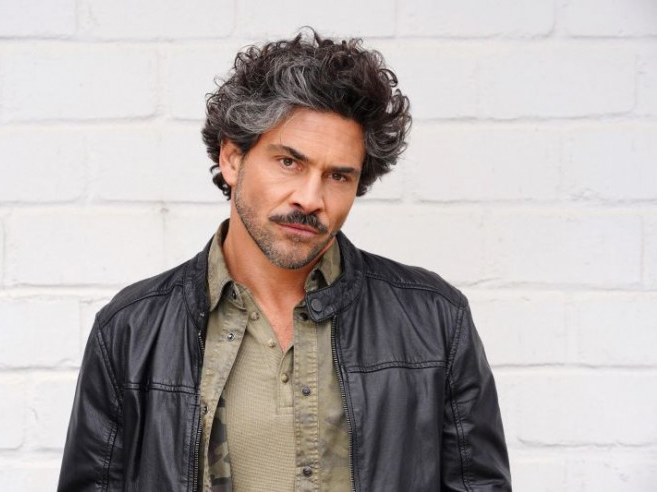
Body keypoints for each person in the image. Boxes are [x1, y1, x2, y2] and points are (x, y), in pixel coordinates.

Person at [58, 29, 511, 492]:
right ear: (232, 159)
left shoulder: (435, 319)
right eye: (289, 163)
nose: (311, 198)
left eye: (338, 176)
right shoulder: (131, 330)